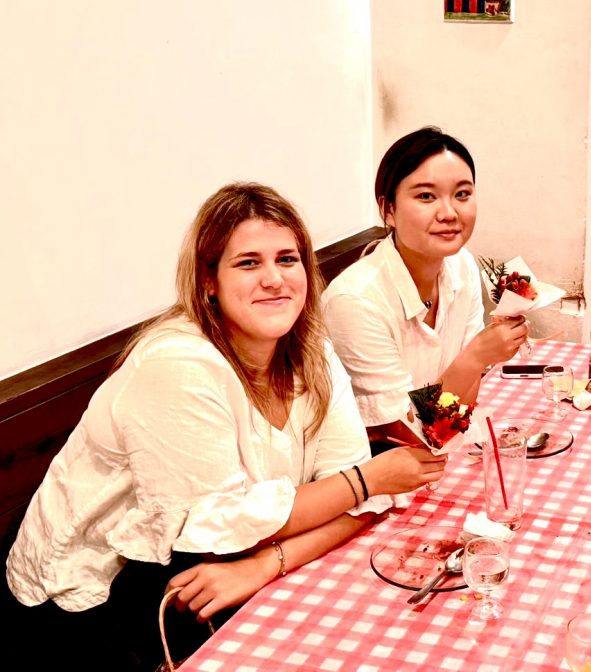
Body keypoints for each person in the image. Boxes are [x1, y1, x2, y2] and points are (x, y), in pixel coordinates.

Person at [3, 183, 444, 670]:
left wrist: (266, 564)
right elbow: (225, 531)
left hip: (221, 566)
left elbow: (359, 502)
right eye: (248, 263)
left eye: (288, 259)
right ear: (208, 280)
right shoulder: (179, 364)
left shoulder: (311, 349)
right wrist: (367, 481)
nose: (274, 278)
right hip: (92, 601)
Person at [323, 126, 527, 451]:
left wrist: (476, 359)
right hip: (381, 467)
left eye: (462, 194)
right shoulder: (355, 301)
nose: (449, 213)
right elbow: (408, 437)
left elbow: (462, 407)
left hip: (444, 452)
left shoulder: (461, 265)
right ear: (388, 210)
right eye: (426, 196)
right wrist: (477, 356)